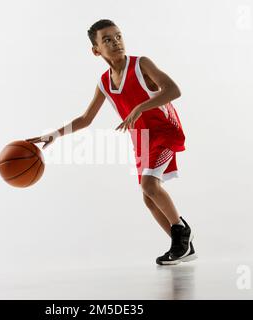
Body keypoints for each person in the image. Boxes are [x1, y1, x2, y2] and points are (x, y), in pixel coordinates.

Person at [26, 19, 196, 265]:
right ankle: (181, 245)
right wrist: (54, 134)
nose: (115, 42)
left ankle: (182, 234)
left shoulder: (141, 64)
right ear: (96, 50)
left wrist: (140, 106)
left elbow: (173, 90)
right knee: (148, 198)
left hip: (164, 131)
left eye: (118, 36)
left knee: (150, 185)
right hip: (142, 138)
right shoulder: (104, 82)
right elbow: (86, 119)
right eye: (107, 39)